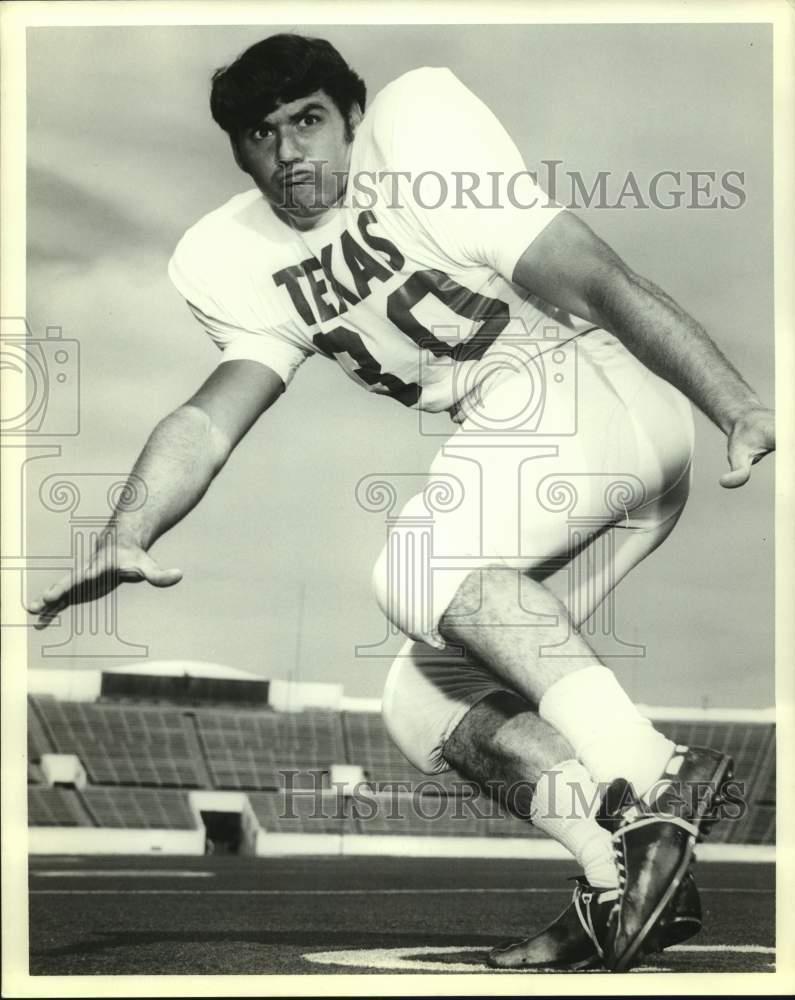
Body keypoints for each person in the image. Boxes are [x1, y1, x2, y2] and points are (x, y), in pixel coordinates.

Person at [29, 34, 775, 971]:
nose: (289, 151)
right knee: (424, 704)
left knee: (420, 567)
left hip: (582, 385)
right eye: (261, 133)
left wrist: (733, 400)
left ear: (352, 117)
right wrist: (126, 526)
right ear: (237, 151)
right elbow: (212, 416)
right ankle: (617, 876)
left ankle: (656, 770)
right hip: (558, 451)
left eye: (308, 121)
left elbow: (592, 272)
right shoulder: (231, 255)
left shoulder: (416, 136)